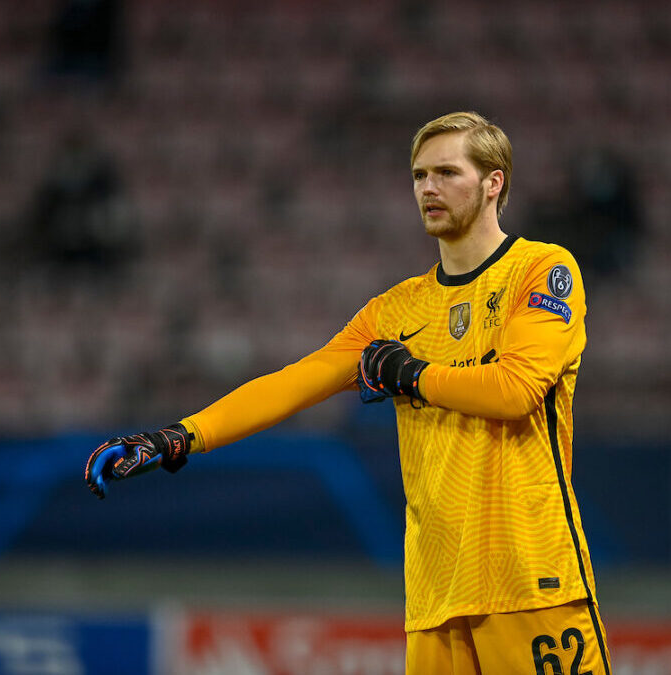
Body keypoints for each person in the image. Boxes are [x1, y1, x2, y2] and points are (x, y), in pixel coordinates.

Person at [85, 111, 612, 674]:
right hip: (435, 598)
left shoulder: (543, 270)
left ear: (493, 183)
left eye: (447, 173)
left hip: (531, 582)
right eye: (418, 175)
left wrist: (412, 375)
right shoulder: (395, 309)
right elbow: (292, 384)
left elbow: (515, 390)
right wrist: (178, 437)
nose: (428, 188)